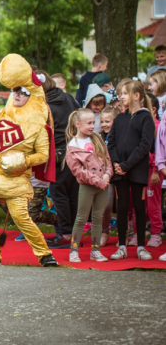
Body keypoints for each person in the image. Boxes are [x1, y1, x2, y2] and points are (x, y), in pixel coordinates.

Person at [0, 54, 58, 267]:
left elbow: (44, 156)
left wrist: (24, 161)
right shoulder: (4, 114)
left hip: (15, 180)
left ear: (33, 95)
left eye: (23, 91)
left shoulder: (39, 127)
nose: (17, 94)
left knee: (22, 219)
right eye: (15, 90)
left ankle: (45, 255)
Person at [107, 79, 156, 261]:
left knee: (139, 207)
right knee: (122, 207)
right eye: (120, 93)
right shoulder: (119, 118)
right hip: (120, 172)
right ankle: (122, 246)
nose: (121, 96)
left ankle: (141, 246)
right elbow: (111, 143)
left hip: (136, 171)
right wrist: (117, 164)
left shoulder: (145, 118)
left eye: (125, 93)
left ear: (136, 96)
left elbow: (145, 145)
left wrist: (127, 166)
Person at [64, 109, 113, 262]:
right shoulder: (73, 146)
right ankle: (74, 250)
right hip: (88, 186)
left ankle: (95, 250)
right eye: (89, 123)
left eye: (94, 122)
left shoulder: (97, 139)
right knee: (81, 218)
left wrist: (107, 174)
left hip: (103, 185)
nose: (93, 126)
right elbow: (78, 171)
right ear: (78, 124)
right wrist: (98, 181)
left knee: (98, 218)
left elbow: (108, 160)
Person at [44, 70, 82, 248]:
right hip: (75, 149)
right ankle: (73, 234)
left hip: (59, 153)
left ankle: (66, 235)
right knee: (72, 193)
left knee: (59, 194)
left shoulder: (45, 105)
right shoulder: (67, 97)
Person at [98, 106, 120, 247]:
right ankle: (104, 232)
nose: (104, 124)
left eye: (108, 121)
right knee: (106, 206)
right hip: (107, 176)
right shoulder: (100, 137)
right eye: (102, 121)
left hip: (119, 174)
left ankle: (124, 234)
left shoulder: (120, 136)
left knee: (122, 206)